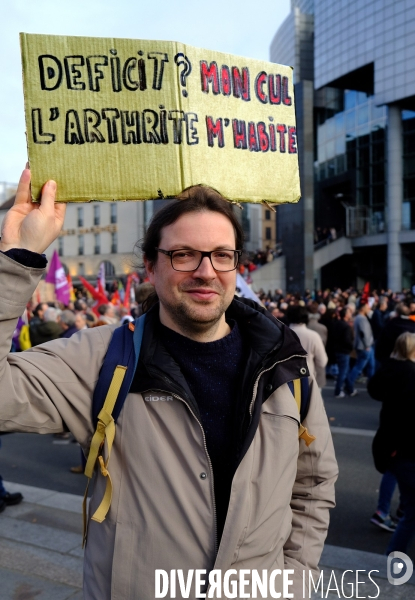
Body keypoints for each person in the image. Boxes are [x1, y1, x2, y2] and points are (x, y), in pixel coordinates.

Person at [0, 169, 338, 599]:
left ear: (237, 263)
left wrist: (294, 580)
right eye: (183, 255)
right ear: (152, 265)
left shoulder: (286, 362)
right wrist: (17, 258)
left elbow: (314, 484)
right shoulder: (102, 358)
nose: (205, 271)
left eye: (221, 254)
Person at [368, 332, 415, 554]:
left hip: (390, 442)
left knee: (395, 478)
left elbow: (374, 390)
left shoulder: (389, 368)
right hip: (403, 444)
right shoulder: (410, 373)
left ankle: (385, 511)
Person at [286, 305, 328, 389]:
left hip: (285, 381)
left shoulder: (282, 334)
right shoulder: (313, 336)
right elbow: (322, 361)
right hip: (307, 379)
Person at [346, 299, 375, 395]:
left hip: (365, 346)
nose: (368, 308)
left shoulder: (360, 317)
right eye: (367, 307)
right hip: (364, 347)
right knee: (359, 367)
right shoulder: (361, 318)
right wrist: (367, 345)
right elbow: (364, 333)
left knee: (371, 366)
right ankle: (349, 384)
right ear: (363, 308)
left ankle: (372, 386)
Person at [331, 306, 354, 397]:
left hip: (338, 349)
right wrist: (351, 347)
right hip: (344, 351)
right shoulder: (345, 326)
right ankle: (338, 391)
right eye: (349, 313)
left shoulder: (337, 324)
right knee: (343, 371)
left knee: (345, 370)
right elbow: (347, 340)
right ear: (346, 315)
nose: (350, 314)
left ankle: (350, 389)